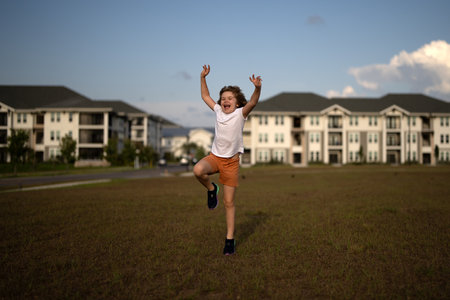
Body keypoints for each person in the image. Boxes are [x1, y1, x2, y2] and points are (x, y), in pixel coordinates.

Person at [193, 65, 262, 255]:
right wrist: (202, 78)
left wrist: (257, 88)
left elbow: (254, 102)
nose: (226, 101)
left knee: (229, 203)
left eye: (230, 98)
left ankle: (230, 239)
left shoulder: (241, 114)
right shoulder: (218, 112)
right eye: (223, 98)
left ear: (238, 102)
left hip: (231, 163)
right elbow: (205, 97)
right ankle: (211, 188)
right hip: (215, 157)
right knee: (198, 170)